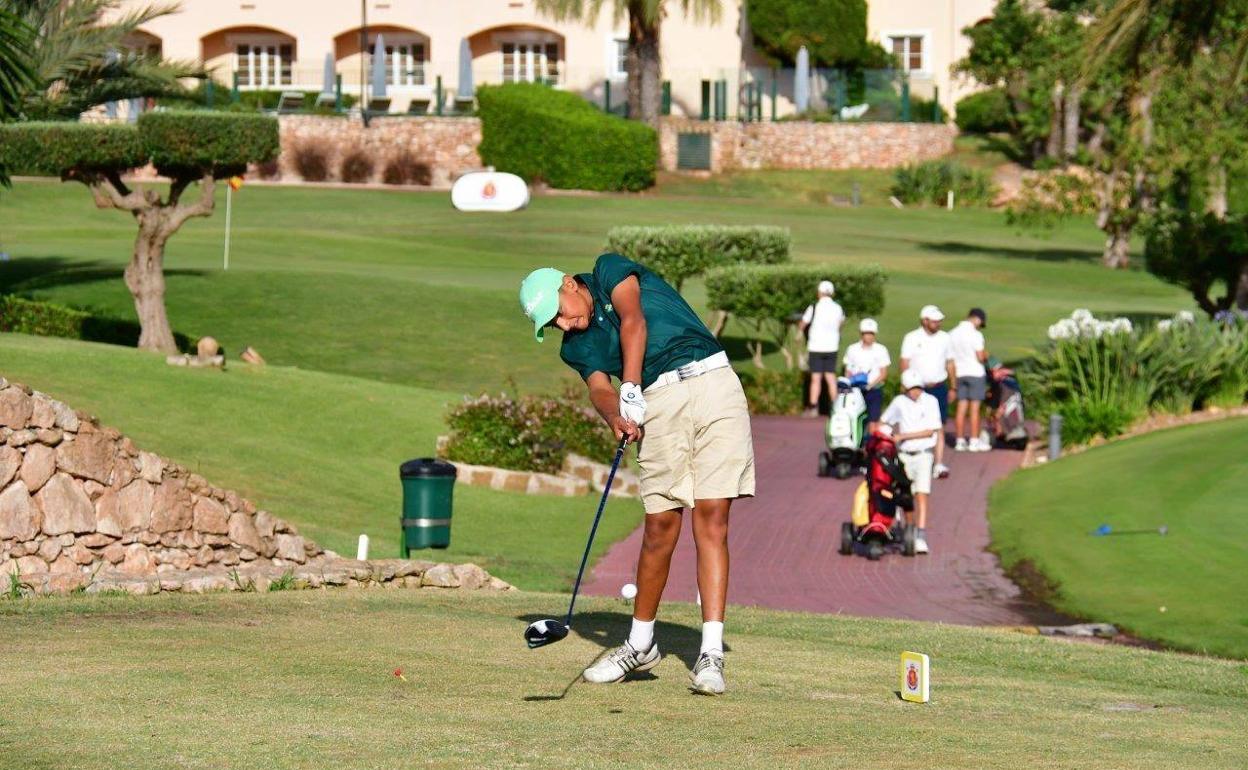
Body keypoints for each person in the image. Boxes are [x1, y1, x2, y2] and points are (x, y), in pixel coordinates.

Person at [519, 253, 755, 696]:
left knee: (712, 517)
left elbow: (633, 321)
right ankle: (640, 643)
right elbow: (598, 388)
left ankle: (710, 654)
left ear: (569, 284)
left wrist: (629, 385)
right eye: (553, 326)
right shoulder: (576, 346)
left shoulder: (609, 270)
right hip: (659, 403)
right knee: (660, 526)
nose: (564, 326)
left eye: (560, 314)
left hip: (713, 384)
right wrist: (617, 417)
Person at [881, 369, 942, 554]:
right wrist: (887, 435)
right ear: (905, 389)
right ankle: (909, 531)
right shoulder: (900, 402)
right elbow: (884, 421)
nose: (916, 392)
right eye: (912, 389)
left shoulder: (931, 401)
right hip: (904, 455)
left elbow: (931, 431)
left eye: (918, 388)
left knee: (921, 495)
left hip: (924, 454)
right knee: (905, 496)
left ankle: (920, 536)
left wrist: (902, 436)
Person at [899, 305, 954, 478]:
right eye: (934, 321)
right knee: (913, 423)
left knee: (939, 426)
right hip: (917, 388)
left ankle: (938, 463)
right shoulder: (912, 337)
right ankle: (911, 459)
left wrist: (954, 385)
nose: (938, 324)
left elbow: (950, 362)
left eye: (939, 321)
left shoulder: (945, 338)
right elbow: (905, 362)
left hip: (938, 385)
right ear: (924, 321)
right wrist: (905, 383)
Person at [798, 280, 845, 417]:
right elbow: (840, 324)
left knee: (816, 377)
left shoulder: (814, 306)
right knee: (830, 376)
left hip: (816, 346)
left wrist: (800, 334)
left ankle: (813, 407)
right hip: (832, 346)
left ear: (819, 293)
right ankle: (836, 407)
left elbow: (803, 323)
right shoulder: (838, 308)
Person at [949, 308, 990, 452]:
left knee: (961, 408)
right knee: (975, 410)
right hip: (975, 373)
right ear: (977, 319)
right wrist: (986, 355)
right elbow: (980, 356)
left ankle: (960, 441)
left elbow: (950, 358)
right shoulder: (975, 334)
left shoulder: (952, 334)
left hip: (960, 373)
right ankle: (974, 441)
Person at [841, 318, 891, 433]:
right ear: (861, 334)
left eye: (871, 334)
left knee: (873, 421)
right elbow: (848, 370)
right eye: (866, 333)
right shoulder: (852, 349)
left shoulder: (881, 350)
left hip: (874, 390)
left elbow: (883, 373)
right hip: (855, 390)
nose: (869, 336)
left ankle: (870, 447)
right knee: (855, 419)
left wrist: (870, 385)